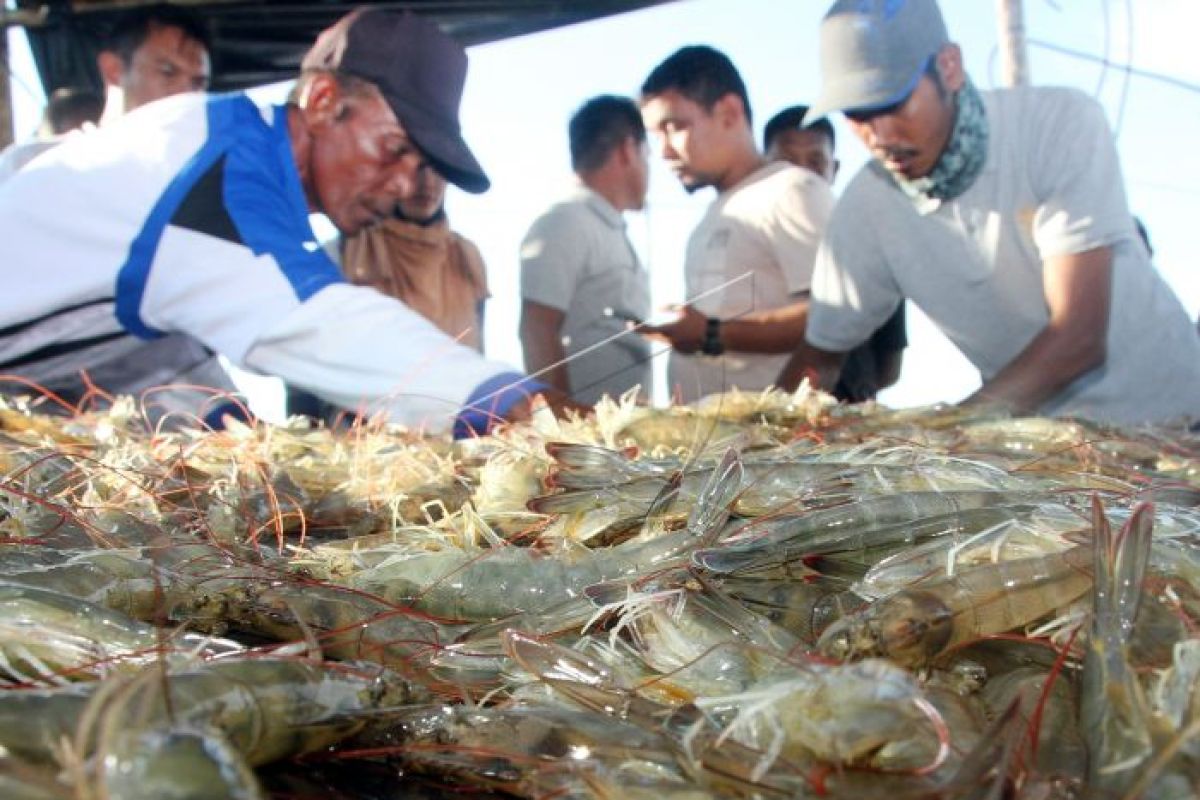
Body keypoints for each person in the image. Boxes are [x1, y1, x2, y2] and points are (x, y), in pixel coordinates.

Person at [0, 8, 549, 436]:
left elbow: (166, 357)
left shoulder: (218, 166)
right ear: (324, 98)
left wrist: (236, 432)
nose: (406, 186)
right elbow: (325, 322)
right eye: (394, 149)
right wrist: (513, 402)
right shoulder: (213, 171)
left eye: (420, 168)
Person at [782, 0, 1200, 425]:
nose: (880, 135)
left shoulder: (1058, 125)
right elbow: (819, 358)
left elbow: (1079, 338)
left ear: (949, 66)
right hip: (1054, 455)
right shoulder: (867, 208)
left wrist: (948, 435)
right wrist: (752, 437)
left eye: (893, 104)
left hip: (1180, 423)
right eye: (859, 115)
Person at [638, 46, 834, 403]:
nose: (664, 150)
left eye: (675, 126)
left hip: (774, 447)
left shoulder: (792, 189)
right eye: (656, 134)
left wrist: (710, 333)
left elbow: (835, 315)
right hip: (710, 446)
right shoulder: (715, 211)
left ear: (729, 112)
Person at [763, 104, 905, 402]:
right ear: (764, 167)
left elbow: (890, 369)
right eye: (787, 163)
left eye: (815, 162)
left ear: (834, 168)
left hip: (847, 419)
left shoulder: (870, 237)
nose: (802, 175)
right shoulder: (749, 234)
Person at [519, 95, 653, 405]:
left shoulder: (609, 228)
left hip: (621, 437)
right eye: (647, 155)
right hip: (585, 442)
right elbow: (536, 328)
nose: (648, 170)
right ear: (627, 150)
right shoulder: (565, 220)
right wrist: (564, 421)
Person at [0, 5, 211, 184]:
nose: (187, 95)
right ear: (114, 70)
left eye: (198, 83)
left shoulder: (202, 183)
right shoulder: (29, 167)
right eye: (168, 72)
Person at [341, 162, 489, 352]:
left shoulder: (467, 257)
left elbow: (478, 355)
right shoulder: (351, 251)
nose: (427, 183)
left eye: (438, 169)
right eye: (414, 168)